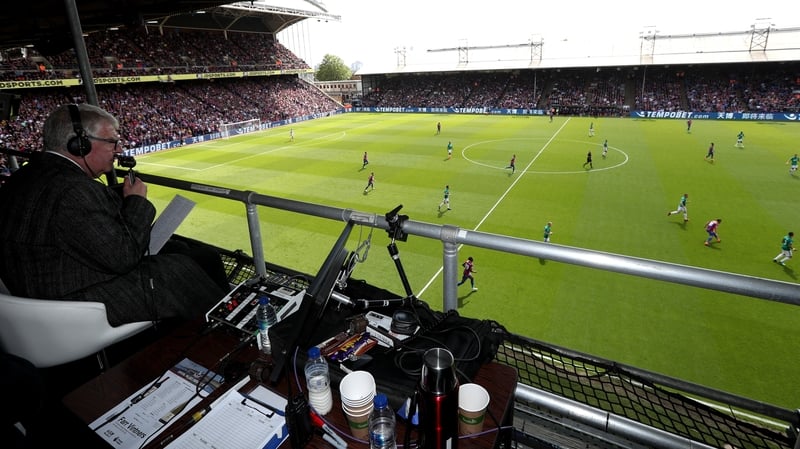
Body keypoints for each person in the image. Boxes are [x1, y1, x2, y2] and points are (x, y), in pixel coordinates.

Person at [0, 103, 229, 327]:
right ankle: (227, 330)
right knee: (179, 270)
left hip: (35, 287)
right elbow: (123, 258)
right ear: (80, 145)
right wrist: (136, 200)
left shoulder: (26, 175)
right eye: (112, 142)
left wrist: (112, 196)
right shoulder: (73, 189)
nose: (118, 151)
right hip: (68, 301)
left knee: (185, 250)